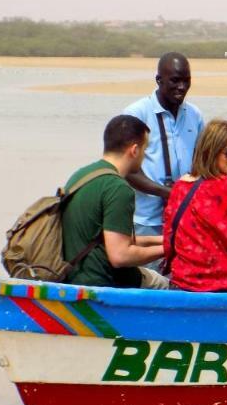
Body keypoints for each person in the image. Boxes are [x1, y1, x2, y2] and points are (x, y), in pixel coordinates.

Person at [62, 115, 168, 289]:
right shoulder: (119, 188)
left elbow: (110, 238)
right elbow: (120, 256)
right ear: (134, 150)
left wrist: (162, 241)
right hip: (100, 279)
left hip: (70, 274)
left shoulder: (81, 175)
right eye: (144, 149)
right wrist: (170, 250)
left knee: (153, 274)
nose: (144, 156)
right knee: (165, 284)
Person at [163, 118, 227, 292]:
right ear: (212, 152)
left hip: (183, 282)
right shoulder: (225, 186)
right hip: (223, 286)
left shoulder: (179, 187)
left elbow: (169, 240)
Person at [123, 52, 204, 241]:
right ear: (159, 80)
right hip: (147, 222)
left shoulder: (194, 115)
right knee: (148, 272)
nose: (182, 87)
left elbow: (202, 162)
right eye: (175, 81)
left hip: (184, 217)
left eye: (187, 81)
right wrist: (166, 192)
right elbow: (126, 169)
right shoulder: (137, 114)